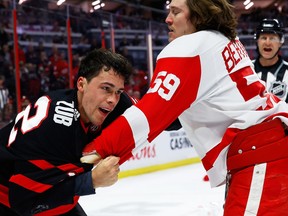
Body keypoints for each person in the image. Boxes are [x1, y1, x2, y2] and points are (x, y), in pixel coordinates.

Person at [82, 0, 288, 215]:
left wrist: (92, 150)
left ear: (198, 16)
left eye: (176, 12)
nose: (167, 19)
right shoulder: (226, 39)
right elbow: (175, 115)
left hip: (262, 158)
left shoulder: (189, 48)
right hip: (272, 149)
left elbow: (148, 117)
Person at [0, 48, 135, 216]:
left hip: (39, 191)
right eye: (106, 88)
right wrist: (90, 181)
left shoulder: (114, 103)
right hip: (9, 200)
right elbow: (24, 203)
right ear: (81, 84)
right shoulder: (57, 129)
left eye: (118, 91)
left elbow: (155, 111)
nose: (113, 99)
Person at [252, 18, 288, 102]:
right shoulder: (246, 70)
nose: (267, 43)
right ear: (257, 41)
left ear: (280, 42)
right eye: (264, 38)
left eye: (272, 38)